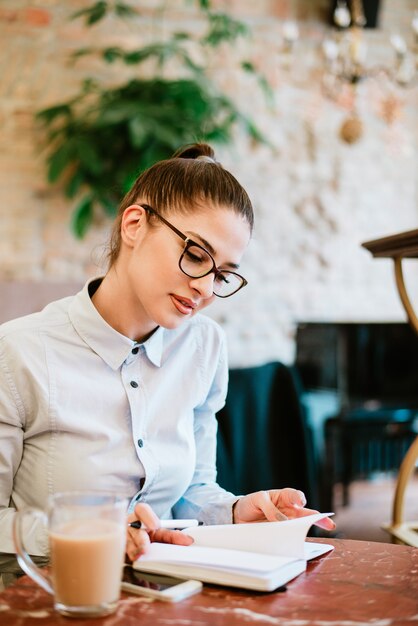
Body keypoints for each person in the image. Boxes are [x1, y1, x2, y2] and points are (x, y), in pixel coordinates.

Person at [0, 143, 334, 583]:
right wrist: (91, 534)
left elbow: (192, 491)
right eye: (196, 255)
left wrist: (235, 510)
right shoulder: (18, 353)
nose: (205, 288)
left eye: (222, 274)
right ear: (135, 224)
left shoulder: (204, 347)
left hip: (162, 594)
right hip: (47, 594)